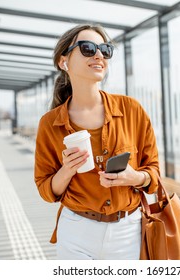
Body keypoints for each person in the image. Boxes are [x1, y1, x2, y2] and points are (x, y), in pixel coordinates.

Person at [34, 24, 160, 260]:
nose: (99, 55)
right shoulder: (49, 124)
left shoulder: (132, 110)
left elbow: (154, 174)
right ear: (64, 62)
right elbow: (46, 190)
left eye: (105, 49)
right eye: (88, 48)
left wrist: (136, 177)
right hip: (76, 231)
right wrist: (67, 169)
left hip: (128, 231)